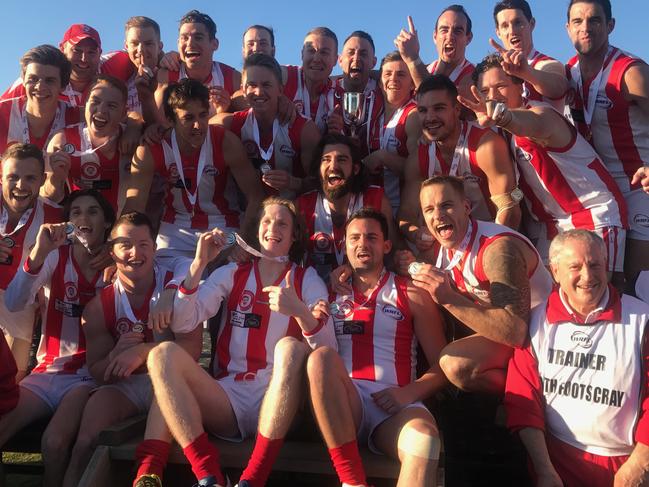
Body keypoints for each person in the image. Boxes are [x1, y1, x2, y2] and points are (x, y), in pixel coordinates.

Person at [137, 197, 335, 487]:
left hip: (281, 401)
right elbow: (184, 323)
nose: (273, 228)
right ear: (257, 230)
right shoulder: (231, 272)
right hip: (228, 398)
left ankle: (253, 480)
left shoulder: (308, 279)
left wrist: (300, 312)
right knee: (162, 355)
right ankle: (209, 476)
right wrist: (199, 264)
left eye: (283, 223)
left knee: (289, 347)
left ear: (294, 237)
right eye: (267, 221)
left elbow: (328, 349)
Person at [307, 207, 447, 487]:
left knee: (425, 441)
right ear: (343, 245)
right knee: (321, 358)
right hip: (344, 404)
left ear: (386, 245)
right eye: (354, 238)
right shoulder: (324, 292)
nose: (362, 244)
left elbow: (444, 367)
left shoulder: (413, 293)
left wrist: (407, 393)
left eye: (371, 237)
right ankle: (353, 483)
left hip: (394, 404)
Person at [464, 53, 627, 285]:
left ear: (520, 86)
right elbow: (526, 188)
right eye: (485, 91)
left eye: (500, 86)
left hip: (593, 217)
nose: (492, 96)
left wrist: (502, 116)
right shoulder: (503, 137)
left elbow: (533, 125)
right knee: (546, 303)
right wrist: (514, 199)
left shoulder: (540, 113)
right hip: (551, 227)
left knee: (590, 299)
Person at [505, 230, 649, 487]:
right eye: (575, 267)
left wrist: (638, 465)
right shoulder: (537, 321)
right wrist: (544, 470)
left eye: (595, 265)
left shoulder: (642, 319)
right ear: (555, 271)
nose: (588, 276)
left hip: (627, 465)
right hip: (556, 463)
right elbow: (524, 402)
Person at [62, 212, 190, 487]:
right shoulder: (99, 306)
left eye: (144, 244)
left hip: (170, 382)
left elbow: (190, 352)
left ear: (155, 249)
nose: (135, 253)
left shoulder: (175, 288)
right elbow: (98, 372)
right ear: (112, 251)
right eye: (126, 245)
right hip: (126, 386)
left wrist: (144, 351)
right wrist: (113, 355)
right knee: (84, 441)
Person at [0, 190, 114, 487]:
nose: (83, 218)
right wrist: (37, 254)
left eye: (92, 211)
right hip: (46, 372)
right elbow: (13, 302)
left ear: (107, 223)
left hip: (87, 377)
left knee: (54, 442)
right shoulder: (55, 257)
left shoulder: (117, 263)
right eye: (75, 212)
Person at [417, 175, 553, 393]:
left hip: (542, 331)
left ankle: (535, 398)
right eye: (429, 210)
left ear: (466, 208)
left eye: (447, 206)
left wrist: (449, 299)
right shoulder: (446, 243)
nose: (438, 215)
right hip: (515, 330)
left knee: (455, 364)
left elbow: (516, 332)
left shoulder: (497, 251)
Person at [126, 78, 262, 265]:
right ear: (170, 120)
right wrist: (117, 244)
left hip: (224, 228)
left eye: (203, 115)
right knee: (166, 283)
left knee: (228, 278)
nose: (198, 125)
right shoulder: (152, 148)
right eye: (188, 118)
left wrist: (244, 242)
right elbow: (134, 206)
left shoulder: (225, 142)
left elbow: (256, 196)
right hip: (175, 231)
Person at [565, 0, 649, 285]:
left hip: (638, 185)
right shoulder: (569, 72)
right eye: (577, 21)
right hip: (599, 193)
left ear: (610, 25)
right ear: (567, 28)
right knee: (607, 282)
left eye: (594, 20)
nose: (585, 28)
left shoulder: (631, 72)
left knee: (639, 284)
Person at [399, 74, 520, 261]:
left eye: (439, 108)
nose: (430, 118)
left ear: (456, 109)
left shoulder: (485, 145)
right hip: (449, 243)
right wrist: (416, 234)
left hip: (489, 239)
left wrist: (488, 252)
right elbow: (406, 215)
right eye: (423, 111)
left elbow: (510, 206)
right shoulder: (419, 157)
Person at [216, 53, 321, 200]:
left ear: (280, 89)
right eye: (252, 85)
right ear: (243, 89)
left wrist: (293, 183)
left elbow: (320, 183)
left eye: (266, 85)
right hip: (244, 214)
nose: (258, 92)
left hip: (290, 215)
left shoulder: (304, 129)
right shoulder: (231, 123)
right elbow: (195, 128)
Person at [0, 143, 61, 380]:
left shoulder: (55, 216)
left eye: (30, 178)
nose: (21, 186)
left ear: (43, 179)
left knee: (10, 379)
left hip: (20, 304)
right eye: (13, 177)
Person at [297, 133, 394, 281]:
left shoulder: (375, 199)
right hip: (317, 295)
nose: (333, 166)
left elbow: (392, 251)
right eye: (326, 159)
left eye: (341, 160)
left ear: (355, 169)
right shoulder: (303, 206)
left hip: (365, 292)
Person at [42, 75, 130, 211]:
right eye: (95, 101)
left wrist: (136, 127)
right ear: (85, 104)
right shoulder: (63, 140)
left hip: (124, 227)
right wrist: (55, 178)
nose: (101, 111)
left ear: (124, 113)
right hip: (81, 227)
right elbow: (47, 198)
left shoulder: (135, 139)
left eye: (111, 106)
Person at [2, 24, 133, 110]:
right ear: (62, 49)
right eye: (77, 50)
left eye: (91, 52)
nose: (84, 58)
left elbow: (147, 54)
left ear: (100, 53)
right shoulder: (37, 78)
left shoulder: (117, 62)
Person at [360, 51, 420, 214]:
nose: (393, 79)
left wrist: (383, 157)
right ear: (380, 82)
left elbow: (421, 171)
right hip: (370, 208)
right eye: (388, 74)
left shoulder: (413, 115)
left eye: (401, 74)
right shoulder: (372, 113)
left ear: (412, 83)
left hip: (401, 210)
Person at [155, 10, 240, 118]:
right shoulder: (166, 75)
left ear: (214, 44)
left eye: (198, 37)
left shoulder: (233, 78)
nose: (190, 43)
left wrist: (229, 109)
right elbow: (158, 123)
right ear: (178, 43)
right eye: (184, 38)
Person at [0, 45, 79, 154]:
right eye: (33, 79)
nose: (40, 87)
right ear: (23, 80)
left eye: (50, 81)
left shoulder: (78, 118)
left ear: (63, 86)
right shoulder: (2, 113)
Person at [492, 0, 568, 111]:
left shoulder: (547, 64)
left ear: (531, 24)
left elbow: (560, 87)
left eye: (518, 22)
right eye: (505, 26)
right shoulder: (495, 72)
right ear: (498, 33)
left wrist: (527, 73)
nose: (512, 31)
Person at [394, 6, 475, 97]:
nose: (450, 36)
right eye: (444, 30)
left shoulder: (474, 77)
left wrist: (413, 59)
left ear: (468, 38)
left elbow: (434, 99)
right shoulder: (425, 69)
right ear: (434, 36)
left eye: (458, 31)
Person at [328, 31, 384, 158]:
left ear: (373, 62)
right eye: (351, 52)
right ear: (340, 60)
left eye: (363, 54)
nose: (357, 58)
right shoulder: (327, 91)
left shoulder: (385, 91)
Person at [283, 27, 338, 133]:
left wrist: (340, 132)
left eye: (324, 52)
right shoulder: (285, 76)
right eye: (311, 51)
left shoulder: (339, 96)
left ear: (335, 60)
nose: (316, 59)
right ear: (302, 54)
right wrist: (275, 97)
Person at [123, 16, 164, 124]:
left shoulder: (173, 75)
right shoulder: (121, 81)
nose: (141, 50)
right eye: (135, 43)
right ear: (126, 46)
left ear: (160, 47)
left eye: (148, 43)